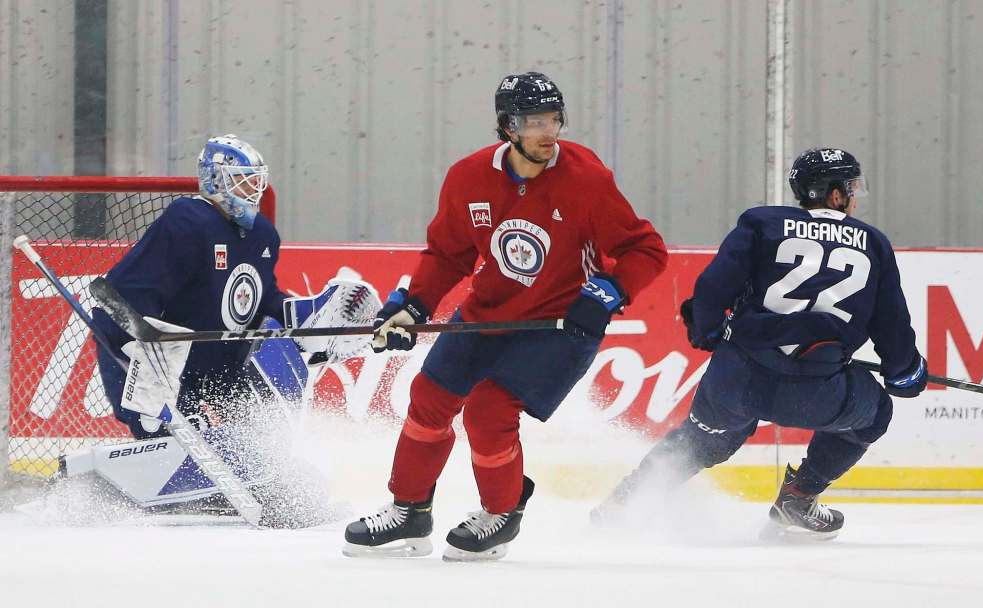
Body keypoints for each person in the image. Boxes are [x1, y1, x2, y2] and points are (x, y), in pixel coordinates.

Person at [343, 72, 669, 561]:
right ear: (507, 127)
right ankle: (410, 511)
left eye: (554, 119)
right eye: (533, 121)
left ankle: (501, 513)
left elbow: (645, 248)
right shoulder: (468, 177)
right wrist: (412, 306)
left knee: (489, 411)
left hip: (560, 325)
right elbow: (446, 255)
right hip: (487, 315)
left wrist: (607, 292)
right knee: (429, 395)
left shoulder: (587, 179)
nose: (547, 132)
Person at [592, 147, 927, 539]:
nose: (854, 197)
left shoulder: (762, 222)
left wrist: (708, 329)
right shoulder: (873, 243)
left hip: (738, 378)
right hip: (818, 392)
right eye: (851, 188)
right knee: (875, 413)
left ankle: (626, 501)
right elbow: (892, 326)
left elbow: (715, 286)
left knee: (702, 440)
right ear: (836, 194)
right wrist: (906, 374)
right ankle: (799, 497)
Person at [88, 134, 377, 524]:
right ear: (214, 180)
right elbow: (120, 300)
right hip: (156, 368)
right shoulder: (187, 222)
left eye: (257, 180)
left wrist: (306, 316)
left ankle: (263, 479)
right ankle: (176, 487)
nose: (254, 190)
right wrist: (144, 356)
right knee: (177, 444)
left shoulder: (262, 235)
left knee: (267, 423)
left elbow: (261, 299)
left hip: (220, 365)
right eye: (243, 180)